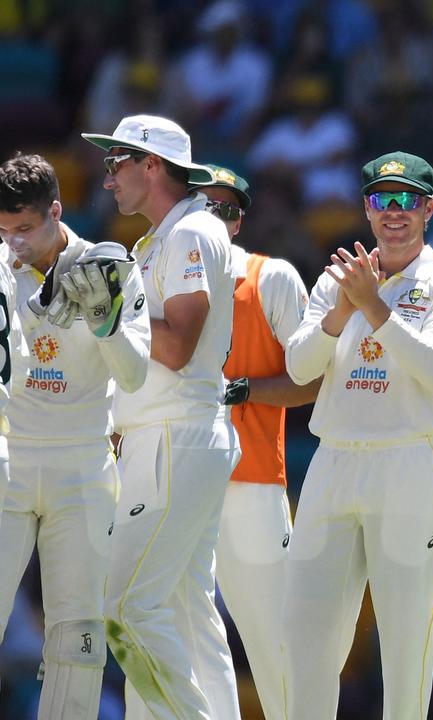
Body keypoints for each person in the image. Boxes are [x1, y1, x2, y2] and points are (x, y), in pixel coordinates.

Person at [283, 152, 433, 718]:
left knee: (406, 645)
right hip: (335, 462)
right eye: (381, 200)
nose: (394, 213)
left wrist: (372, 306)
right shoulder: (336, 281)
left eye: (406, 200)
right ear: (366, 210)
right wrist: (342, 310)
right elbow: (299, 368)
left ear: (429, 207)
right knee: (305, 638)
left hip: (408, 464)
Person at [81, 114, 241, 720]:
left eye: (115, 163)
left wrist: (110, 309)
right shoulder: (159, 239)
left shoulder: (192, 230)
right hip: (167, 438)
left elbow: (176, 347)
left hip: (176, 436)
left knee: (125, 609)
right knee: (189, 618)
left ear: (152, 164)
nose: (106, 180)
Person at [0, 153, 147, 719]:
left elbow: (133, 374)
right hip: (11, 457)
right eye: (5, 230)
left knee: (78, 634)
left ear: (55, 211)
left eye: (26, 229)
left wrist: (106, 321)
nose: (15, 242)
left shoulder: (110, 266)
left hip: (84, 462)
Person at [191, 165, 318, 720]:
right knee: (176, 636)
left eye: (227, 209)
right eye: (204, 206)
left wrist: (237, 389)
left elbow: (310, 379)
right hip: (178, 475)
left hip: (252, 481)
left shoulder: (273, 277)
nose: (215, 219)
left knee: (275, 641)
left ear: (240, 221)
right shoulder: (164, 275)